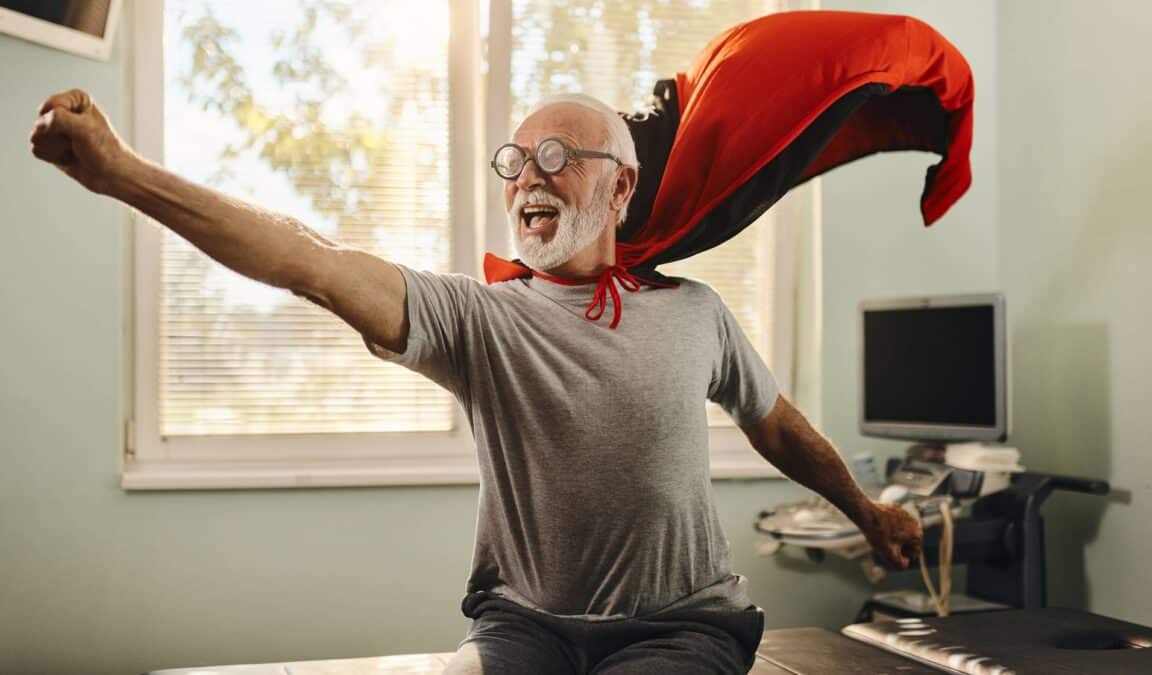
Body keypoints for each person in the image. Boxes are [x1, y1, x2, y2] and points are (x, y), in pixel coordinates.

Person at [30, 88, 923, 675]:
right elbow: (310, 259)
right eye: (516, 160)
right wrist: (122, 175)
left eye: (560, 156)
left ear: (621, 192)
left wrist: (871, 513)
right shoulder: (478, 319)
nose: (529, 176)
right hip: (520, 627)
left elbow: (780, 430)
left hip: (680, 629)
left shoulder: (696, 313)